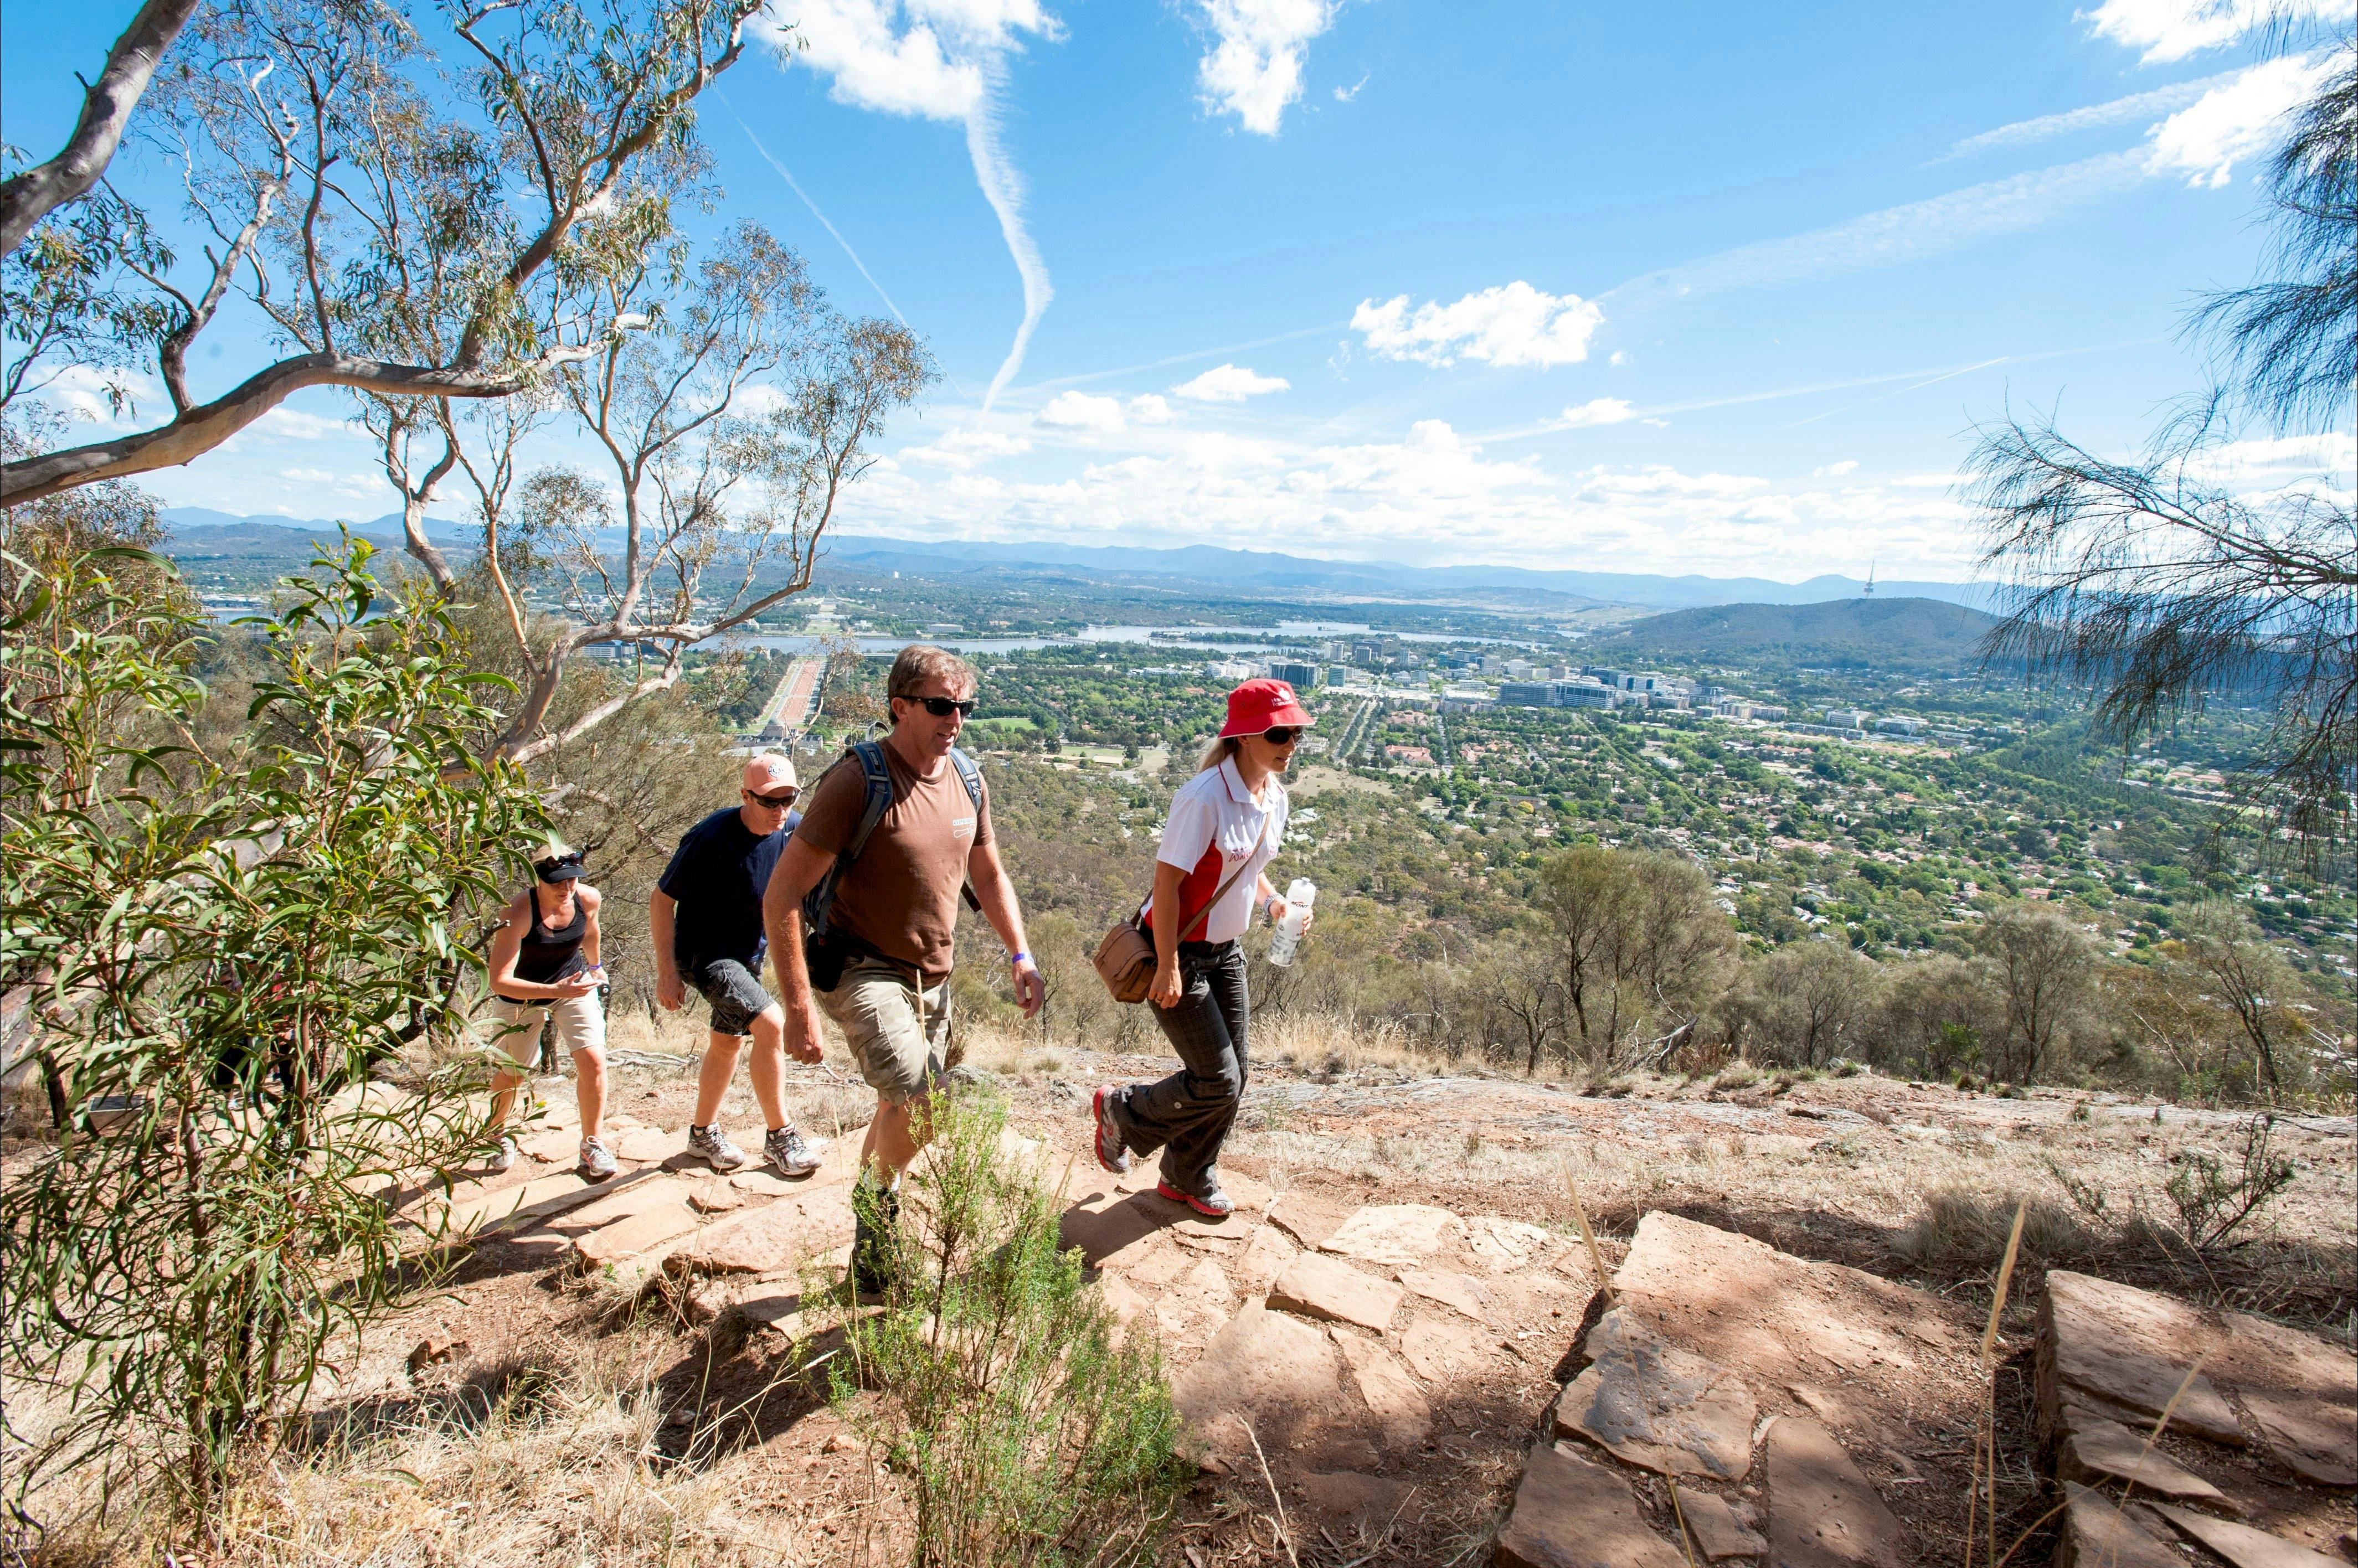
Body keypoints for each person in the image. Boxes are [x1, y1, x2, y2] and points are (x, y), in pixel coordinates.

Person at [761, 645, 1045, 1292]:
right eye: (941, 706)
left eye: (964, 707)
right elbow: (779, 897)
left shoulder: (968, 778)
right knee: (922, 1102)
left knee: (900, 1108)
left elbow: (988, 870)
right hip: (861, 969)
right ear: (901, 707)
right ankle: (880, 1215)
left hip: (931, 975)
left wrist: (1020, 954)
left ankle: (871, 1239)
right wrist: (799, 1007)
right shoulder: (858, 781)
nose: (956, 719)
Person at [1089, 678, 1314, 1216]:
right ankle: (1122, 1111)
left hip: (1225, 952)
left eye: (1296, 734)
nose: (1290, 745)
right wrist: (1167, 963)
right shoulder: (1204, 797)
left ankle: (1186, 1176)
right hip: (1178, 951)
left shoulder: (1272, 797)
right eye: (1279, 733)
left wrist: (1275, 904)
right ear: (1243, 736)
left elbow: (1246, 869)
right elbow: (1166, 885)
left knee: (1234, 1078)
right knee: (1217, 1079)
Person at [652, 753, 824, 1178]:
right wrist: (667, 973)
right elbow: (661, 900)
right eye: (769, 802)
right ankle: (780, 1137)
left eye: (788, 799)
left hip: (747, 957)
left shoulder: (793, 829)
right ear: (745, 795)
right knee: (770, 1022)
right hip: (704, 955)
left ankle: (701, 1133)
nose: (780, 811)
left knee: (727, 1042)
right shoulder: (710, 837)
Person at [484, 839, 612, 1177]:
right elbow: (499, 980)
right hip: (521, 996)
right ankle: (495, 1135)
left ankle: (593, 1144)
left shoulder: (587, 899)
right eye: (557, 881)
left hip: (572, 985)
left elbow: (591, 933)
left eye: (572, 878)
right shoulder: (518, 912)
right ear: (536, 879)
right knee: (513, 1073)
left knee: (594, 1061)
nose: (567, 887)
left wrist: (596, 967)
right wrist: (554, 990)